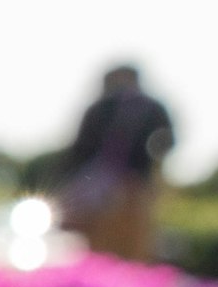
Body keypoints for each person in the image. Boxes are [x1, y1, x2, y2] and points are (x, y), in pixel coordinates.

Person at [52, 64, 175, 263]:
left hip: (110, 187)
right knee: (129, 248)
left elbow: (77, 152)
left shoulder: (100, 107)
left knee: (104, 247)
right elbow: (167, 141)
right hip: (130, 185)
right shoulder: (150, 106)